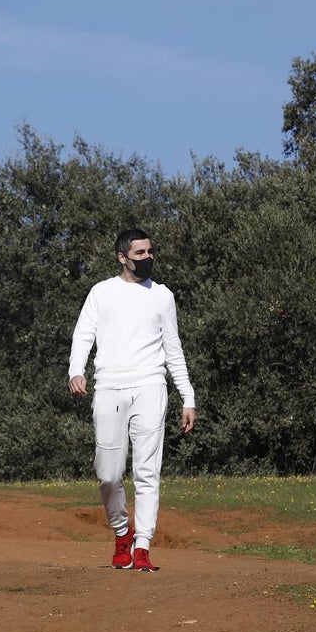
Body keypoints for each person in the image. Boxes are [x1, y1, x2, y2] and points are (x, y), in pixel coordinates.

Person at [67, 228, 196, 572]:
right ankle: (122, 532)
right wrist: (76, 371)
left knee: (147, 471)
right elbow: (83, 334)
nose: (148, 257)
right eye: (140, 253)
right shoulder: (102, 292)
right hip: (109, 387)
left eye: (150, 251)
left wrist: (188, 397)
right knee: (108, 474)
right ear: (122, 258)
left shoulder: (163, 296)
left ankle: (143, 547)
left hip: (151, 386)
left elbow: (174, 349)